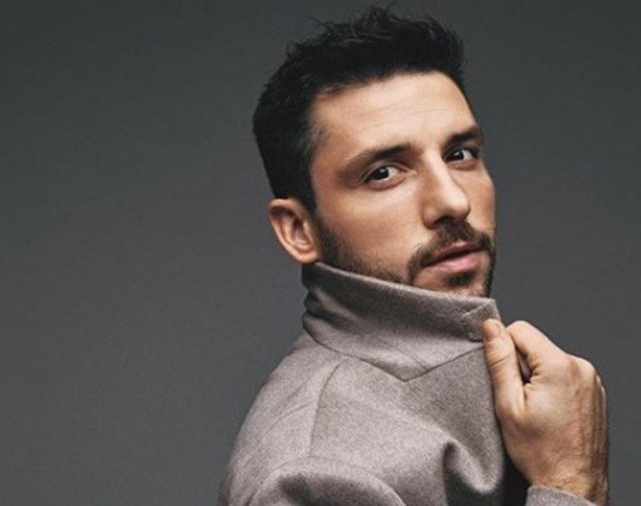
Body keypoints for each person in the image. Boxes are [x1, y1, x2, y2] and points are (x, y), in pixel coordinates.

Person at [218, 7, 609, 506]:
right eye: (383, 172)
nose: (453, 201)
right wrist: (571, 483)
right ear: (299, 230)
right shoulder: (314, 474)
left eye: (459, 154)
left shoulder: (506, 381)